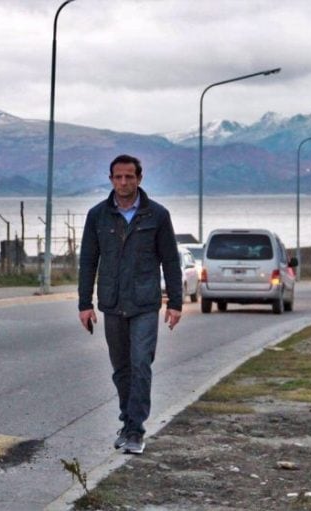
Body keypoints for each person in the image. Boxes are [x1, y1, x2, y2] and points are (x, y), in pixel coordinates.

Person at [78, 154, 183, 455]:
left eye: (129, 177)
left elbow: (171, 260)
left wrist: (175, 302)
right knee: (121, 368)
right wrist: (84, 304)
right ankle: (128, 421)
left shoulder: (157, 215)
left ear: (139, 178)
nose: (123, 182)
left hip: (145, 303)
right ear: (110, 179)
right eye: (118, 177)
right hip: (112, 303)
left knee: (141, 364)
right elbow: (88, 262)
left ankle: (136, 430)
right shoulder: (97, 215)